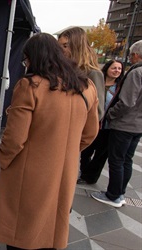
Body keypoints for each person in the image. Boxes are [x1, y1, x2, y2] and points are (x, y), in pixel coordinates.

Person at [0, 33, 99, 250]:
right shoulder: (87, 87)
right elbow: (90, 133)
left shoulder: (31, 85)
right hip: (65, 171)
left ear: (33, 58)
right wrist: (67, 151)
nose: (25, 64)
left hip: (29, 172)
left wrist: (4, 161)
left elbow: (15, 137)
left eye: (25, 59)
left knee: (22, 231)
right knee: (52, 226)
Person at [91, 41, 142, 207]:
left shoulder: (136, 73)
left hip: (125, 124)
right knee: (127, 160)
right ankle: (120, 193)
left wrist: (110, 115)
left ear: (135, 55)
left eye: (130, 55)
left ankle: (113, 195)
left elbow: (126, 102)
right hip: (137, 125)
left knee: (117, 160)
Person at [77, 60, 124, 184]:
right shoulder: (97, 81)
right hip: (94, 122)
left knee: (101, 154)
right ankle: (84, 172)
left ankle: (91, 177)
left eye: (119, 69)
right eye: (114, 68)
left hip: (108, 125)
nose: (117, 71)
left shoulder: (119, 87)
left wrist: (110, 115)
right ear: (107, 68)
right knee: (87, 150)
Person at [58, 27, 105, 120]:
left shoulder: (93, 73)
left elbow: (97, 112)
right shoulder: (61, 70)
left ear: (77, 46)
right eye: (59, 46)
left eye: (65, 46)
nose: (61, 50)